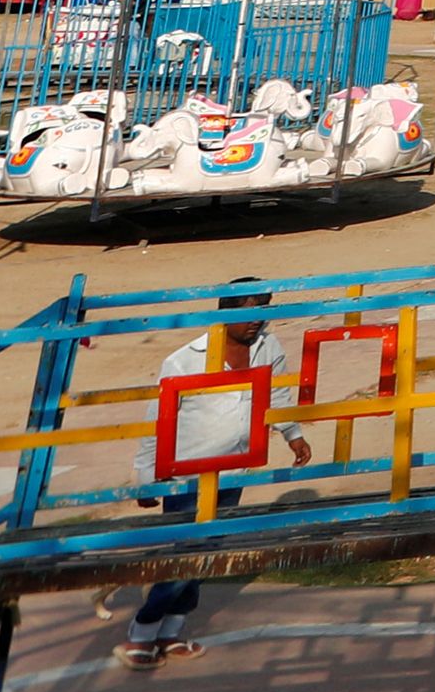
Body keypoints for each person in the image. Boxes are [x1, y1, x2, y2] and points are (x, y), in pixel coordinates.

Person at [115, 280, 304, 671]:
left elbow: (278, 395)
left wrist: (293, 435)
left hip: (234, 468)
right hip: (187, 473)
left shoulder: (270, 348)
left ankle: (173, 630)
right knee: (185, 554)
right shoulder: (184, 360)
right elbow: (157, 421)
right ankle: (143, 630)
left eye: (262, 311)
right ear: (225, 313)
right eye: (248, 313)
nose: (256, 322)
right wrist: (147, 478)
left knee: (209, 552)